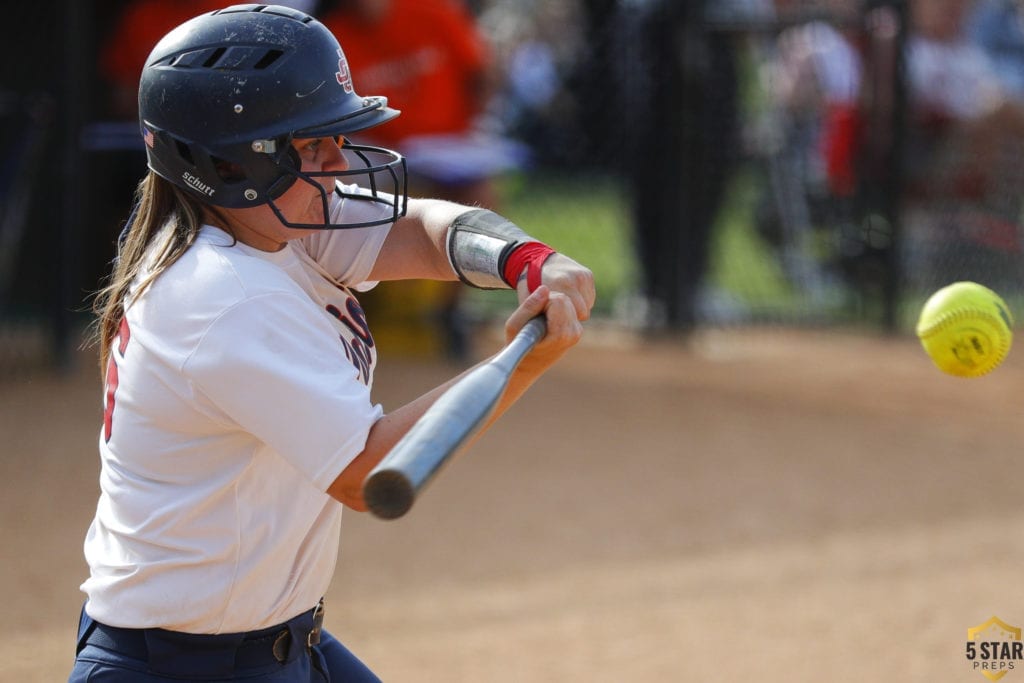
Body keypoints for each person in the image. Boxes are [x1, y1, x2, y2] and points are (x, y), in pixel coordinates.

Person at [69, 5, 594, 682]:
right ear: (227, 164)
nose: (339, 159)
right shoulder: (221, 293)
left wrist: (527, 260)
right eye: (312, 143)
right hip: (179, 666)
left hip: (275, 642)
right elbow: (366, 471)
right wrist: (523, 364)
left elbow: (423, 229)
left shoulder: (270, 221)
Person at [321, 0, 524, 360]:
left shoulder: (432, 12)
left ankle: (450, 311)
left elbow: (480, 71)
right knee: (341, 189)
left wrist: (477, 124)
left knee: (480, 193)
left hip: (447, 148)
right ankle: (346, 313)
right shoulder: (332, 31)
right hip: (377, 150)